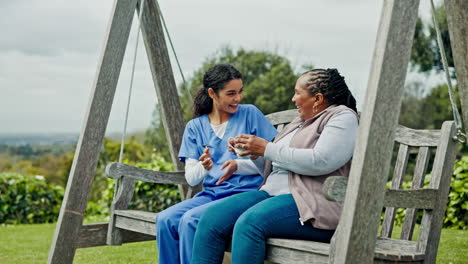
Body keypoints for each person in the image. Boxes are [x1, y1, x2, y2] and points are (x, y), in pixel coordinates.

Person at [191, 68, 359, 264]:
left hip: (311, 204)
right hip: (271, 194)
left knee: (249, 224)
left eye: (298, 92)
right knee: (211, 219)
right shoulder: (298, 122)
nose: (293, 98)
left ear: (318, 98)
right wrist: (254, 153)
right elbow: (277, 163)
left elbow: (321, 161)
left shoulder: (342, 117)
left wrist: (266, 148)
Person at [155, 63, 278, 264]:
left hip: (246, 194)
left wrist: (244, 161)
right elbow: (191, 178)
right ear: (212, 93)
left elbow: (272, 162)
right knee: (165, 220)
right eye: (231, 93)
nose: (238, 98)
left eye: (240, 92)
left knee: (190, 220)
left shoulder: (250, 114)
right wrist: (204, 166)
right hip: (211, 194)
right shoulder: (195, 127)